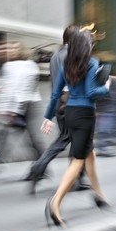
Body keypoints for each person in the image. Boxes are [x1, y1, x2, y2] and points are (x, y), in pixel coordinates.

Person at [42, 28, 112, 227]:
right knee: (78, 160)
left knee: (90, 154)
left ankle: (98, 195)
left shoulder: (66, 65)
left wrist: (47, 117)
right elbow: (91, 92)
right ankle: (55, 203)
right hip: (84, 115)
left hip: (70, 113)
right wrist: (106, 87)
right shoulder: (91, 63)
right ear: (86, 46)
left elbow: (55, 95)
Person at [25, 25, 90, 194]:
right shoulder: (73, 55)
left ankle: (76, 177)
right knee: (72, 141)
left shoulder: (55, 56)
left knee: (68, 140)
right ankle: (41, 169)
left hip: (60, 104)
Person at [0, 41, 43, 181]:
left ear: (21, 50)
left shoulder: (29, 65)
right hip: (14, 105)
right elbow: (5, 87)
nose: (9, 51)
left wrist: (13, 110)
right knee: (4, 137)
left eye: (13, 48)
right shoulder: (8, 66)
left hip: (27, 106)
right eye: (8, 48)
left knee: (28, 139)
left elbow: (23, 89)